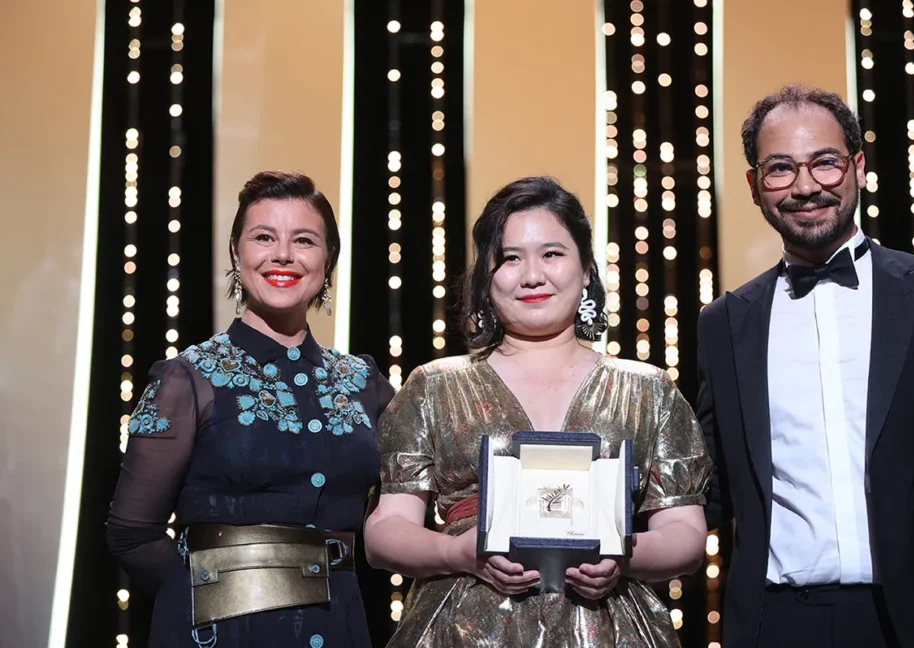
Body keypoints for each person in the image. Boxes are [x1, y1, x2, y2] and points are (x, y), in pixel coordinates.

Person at [697, 85, 914, 648]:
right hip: (776, 622)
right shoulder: (725, 322)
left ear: (858, 167)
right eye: (780, 169)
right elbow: (709, 486)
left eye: (825, 161)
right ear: (753, 187)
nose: (805, 186)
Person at [363, 176, 711, 647]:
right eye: (510, 258)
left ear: (586, 269)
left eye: (552, 254)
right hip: (463, 628)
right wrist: (457, 552)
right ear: (487, 277)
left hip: (608, 627)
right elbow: (385, 532)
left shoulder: (646, 390)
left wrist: (622, 558)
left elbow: (685, 534)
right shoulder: (435, 385)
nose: (532, 275)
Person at [107, 171, 394, 647]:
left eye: (304, 240)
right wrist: (202, 607)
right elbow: (132, 535)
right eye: (264, 237)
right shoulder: (187, 378)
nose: (283, 254)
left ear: (328, 261)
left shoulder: (364, 382)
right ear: (237, 255)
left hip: (341, 628)